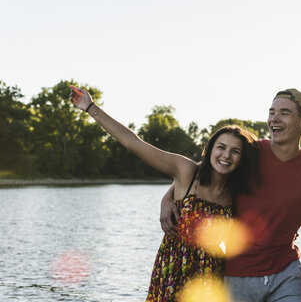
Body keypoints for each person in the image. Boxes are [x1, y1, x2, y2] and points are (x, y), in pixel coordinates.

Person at [69, 85, 260, 302]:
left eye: (235, 151)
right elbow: (134, 143)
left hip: (210, 283)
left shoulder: (238, 194)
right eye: (221, 147)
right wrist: (90, 107)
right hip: (171, 277)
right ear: (210, 149)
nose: (226, 155)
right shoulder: (186, 172)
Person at [161, 88, 301, 301]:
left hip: (286, 271)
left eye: (284, 113)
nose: (274, 119)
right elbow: (199, 171)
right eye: (271, 112)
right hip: (235, 274)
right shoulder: (248, 152)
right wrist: (167, 199)